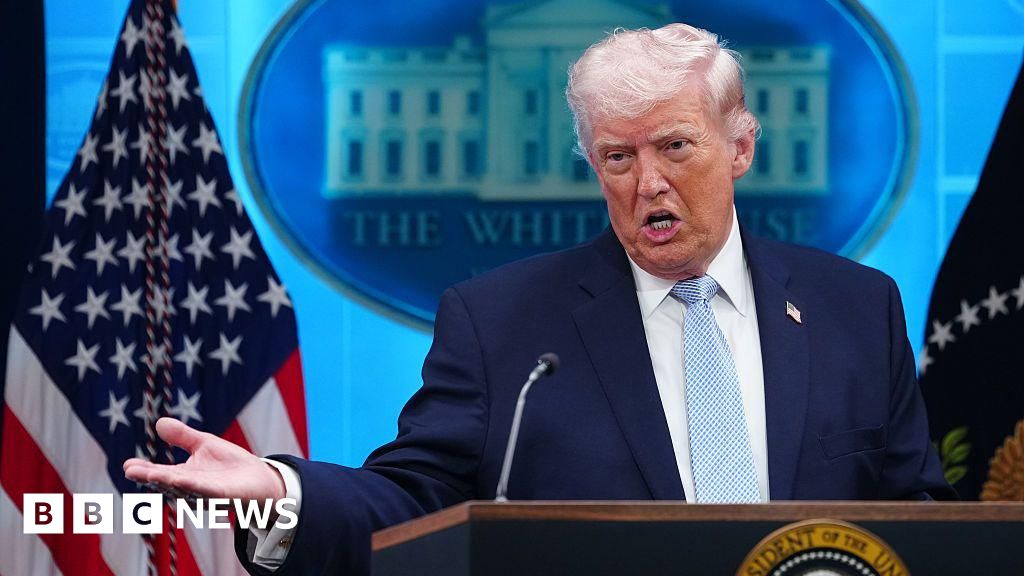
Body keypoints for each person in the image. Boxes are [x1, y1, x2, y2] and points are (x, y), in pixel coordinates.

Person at [124, 22, 954, 575]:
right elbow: (418, 501)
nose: (649, 183)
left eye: (674, 147)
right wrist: (284, 491)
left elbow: (918, 516)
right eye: (617, 157)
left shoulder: (857, 307)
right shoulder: (504, 324)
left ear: (738, 148)